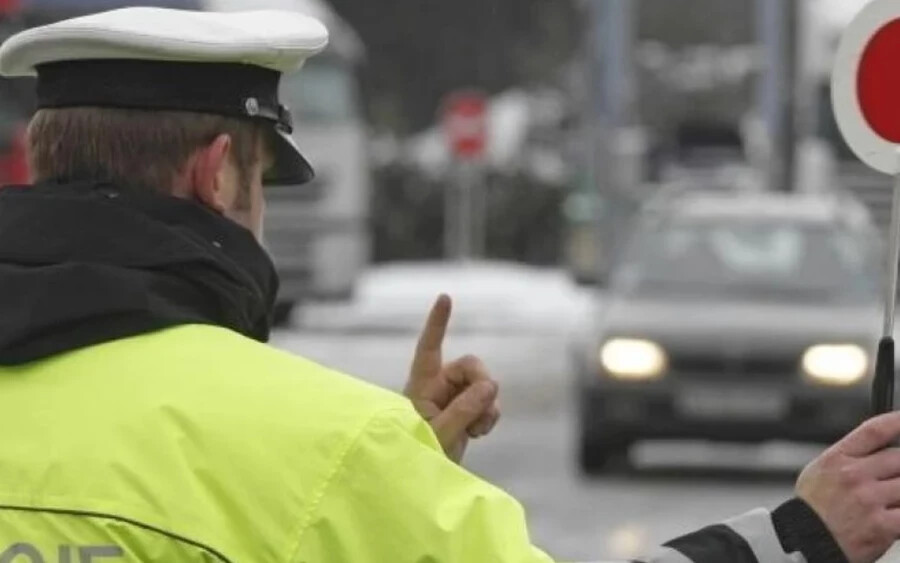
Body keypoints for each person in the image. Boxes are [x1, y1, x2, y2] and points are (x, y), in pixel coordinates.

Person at [0, 7, 897, 563]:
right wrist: (801, 537)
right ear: (218, 171)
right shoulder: (327, 449)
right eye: (265, 178)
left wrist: (396, 478)